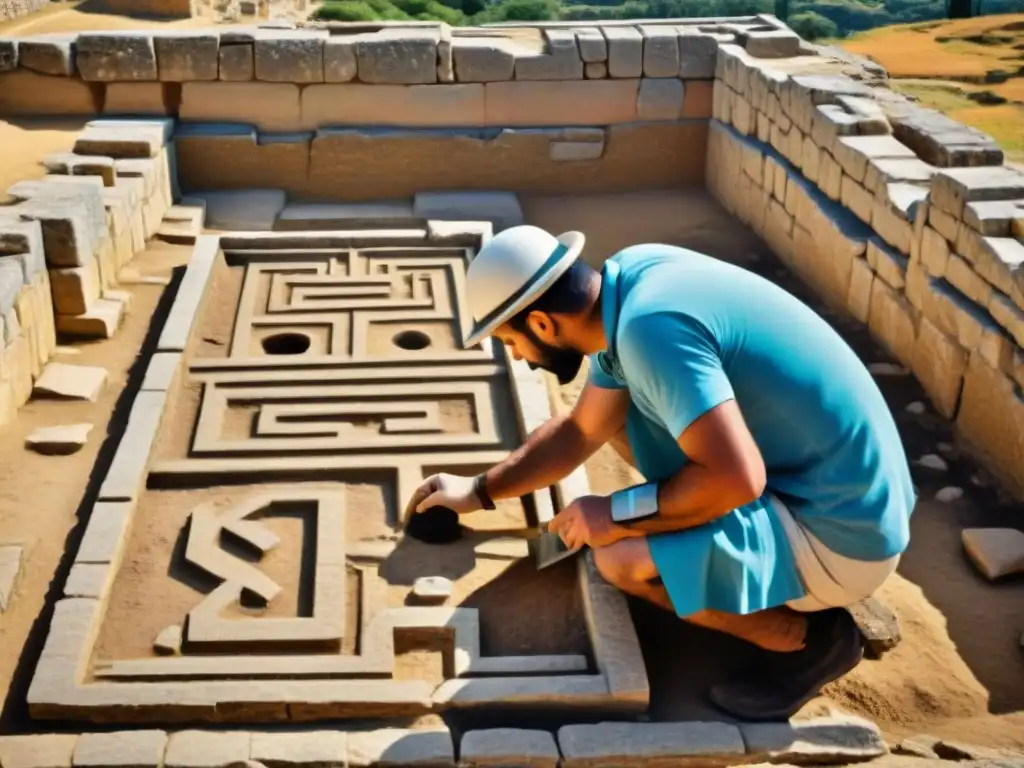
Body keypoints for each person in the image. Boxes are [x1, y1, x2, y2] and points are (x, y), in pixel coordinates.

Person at [404, 224, 915, 721]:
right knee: (623, 415)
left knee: (620, 561)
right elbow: (582, 431)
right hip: (852, 488)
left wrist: (614, 514)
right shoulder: (633, 281)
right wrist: (477, 491)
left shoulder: (651, 333)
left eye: (510, 341)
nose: (518, 356)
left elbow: (738, 480)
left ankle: (805, 640)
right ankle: (715, 542)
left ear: (540, 322)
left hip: (841, 536)